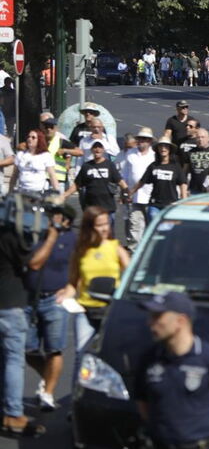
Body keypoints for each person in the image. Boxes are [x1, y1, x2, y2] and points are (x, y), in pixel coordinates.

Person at [135, 292, 209, 449]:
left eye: (157, 316)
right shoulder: (149, 359)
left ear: (181, 321)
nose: (150, 323)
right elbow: (143, 402)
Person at [66, 206, 130, 378]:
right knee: (81, 355)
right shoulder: (81, 251)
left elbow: (130, 275)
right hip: (84, 310)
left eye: (106, 224)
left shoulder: (116, 248)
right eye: (99, 225)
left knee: (110, 356)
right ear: (90, 227)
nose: (104, 229)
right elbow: (73, 283)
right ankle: (77, 392)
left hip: (110, 310)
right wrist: (63, 297)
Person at [0, 205, 48, 435]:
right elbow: (34, 262)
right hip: (10, 306)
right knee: (13, 361)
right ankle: (13, 414)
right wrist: (52, 237)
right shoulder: (10, 237)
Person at [25, 204, 76, 411]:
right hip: (29, 300)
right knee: (28, 349)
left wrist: (71, 288)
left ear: (66, 221)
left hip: (55, 301)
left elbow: (80, 266)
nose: (48, 219)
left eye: (54, 216)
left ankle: (48, 393)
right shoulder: (34, 236)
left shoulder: (72, 239)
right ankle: (47, 376)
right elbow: (32, 263)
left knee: (54, 349)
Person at [61, 140, 129, 217]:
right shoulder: (86, 166)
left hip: (107, 207)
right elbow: (77, 184)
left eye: (100, 147)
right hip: (91, 207)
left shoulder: (110, 165)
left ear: (103, 150)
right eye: (95, 147)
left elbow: (120, 181)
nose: (97, 149)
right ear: (91, 150)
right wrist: (65, 195)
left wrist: (126, 193)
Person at [129, 139, 188, 220]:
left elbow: (183, 183)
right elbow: (142, 181)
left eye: (166, 146)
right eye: (161, 146)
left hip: (171, 204)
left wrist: (184, 200)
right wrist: (130, 193)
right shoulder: (153, 166)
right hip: (155, 204)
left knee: (168, 227)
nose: (163, 149)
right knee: (154, 223)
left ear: (170, 149)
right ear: (157, 149)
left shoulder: (176, 167)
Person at [120, 127, 156, 249]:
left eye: (144, 139)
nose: (141, 141)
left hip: (150, 195)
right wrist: (124, 192)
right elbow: (125, 174)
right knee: (134, 224)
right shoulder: (130, 153)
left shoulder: (154, 155)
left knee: (150, 224)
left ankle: (148, 249)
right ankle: (134, 250)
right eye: (140, 138)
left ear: (150, 141)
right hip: (133, 195)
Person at [9, 129, 60, 194]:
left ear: (39, 140)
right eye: (29, 137)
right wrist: (10, 191)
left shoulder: (46, 156)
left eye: (33, 137)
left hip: (38, 193)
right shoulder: (20, 154)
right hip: (22, 191)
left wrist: (57, 193)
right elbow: (14, 175)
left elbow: (52, 175)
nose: (30, 139)